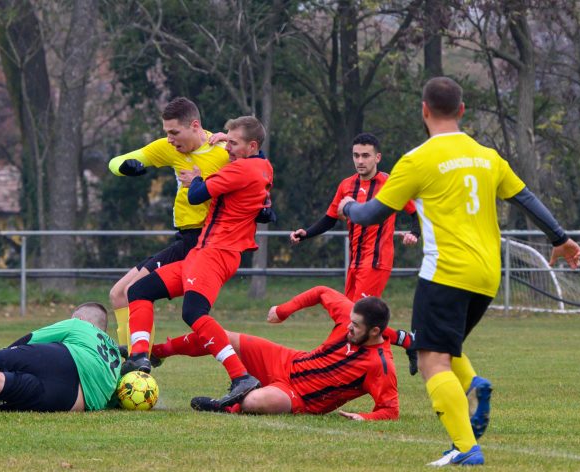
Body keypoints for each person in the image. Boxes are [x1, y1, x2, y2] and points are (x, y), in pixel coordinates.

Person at [337, 77, 580, 466]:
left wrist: (348, 206)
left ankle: (466, 448)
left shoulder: (418, 160)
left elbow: (370, 215)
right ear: (463, 111)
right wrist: (560, 238)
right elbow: (526, 197)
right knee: (443, 348)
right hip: (487, 275)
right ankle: (472, 388)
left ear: (424, 111)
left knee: (430, 356)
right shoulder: (487, 155)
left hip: (446, 272)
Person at [122, 115, 274, 408]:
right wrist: (226, 138)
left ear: (251, 145)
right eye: (226, 140)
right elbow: (257, 156)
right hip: (205, 253)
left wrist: (196, 179)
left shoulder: (241, 169)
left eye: (233, 143)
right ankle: (141, 355)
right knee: (138, 291)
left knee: (194, 313)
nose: (227, 147)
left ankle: (241, 376)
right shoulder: (262, 164)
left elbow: (197, 196)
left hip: (215, 254)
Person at [149, 286, 412, 418]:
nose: (349, 328)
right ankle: (157, 352)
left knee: (254, 402)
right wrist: (283, 310)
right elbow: (322, 292)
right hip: (288, 360)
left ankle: (227, 405)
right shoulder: (350, 319)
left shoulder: (381, 365)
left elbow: (390, 409)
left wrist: (364, 418)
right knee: (220, 336)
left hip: (298, 397)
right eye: (350, 321)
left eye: (356, 326)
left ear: (376, 332)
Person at [108, 97, 230, 352]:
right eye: (166, 133)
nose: (170, 139)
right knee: (119, 294)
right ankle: (132, 362)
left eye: (175, 132)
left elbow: (255, 170)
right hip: (184, 240)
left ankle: (137, 360)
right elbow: (118, 161)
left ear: (195, 126)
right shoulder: (171, 148)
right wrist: (127, 167)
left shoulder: (222, 152)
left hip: (207, 242)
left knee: (137, 293)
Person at [290, 133, 420, 301]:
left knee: (359, 318)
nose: (360, 161)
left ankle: (404, 330)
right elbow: (330, 218)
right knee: (351, 318)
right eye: (356, 155)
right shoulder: (346, 185)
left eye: (365, 156)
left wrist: (414, 234)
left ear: (377, 157)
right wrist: (306, 234)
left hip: (376, 262)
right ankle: (403, 330)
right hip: (354, 263)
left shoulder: (390, 184)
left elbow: (416, 213)